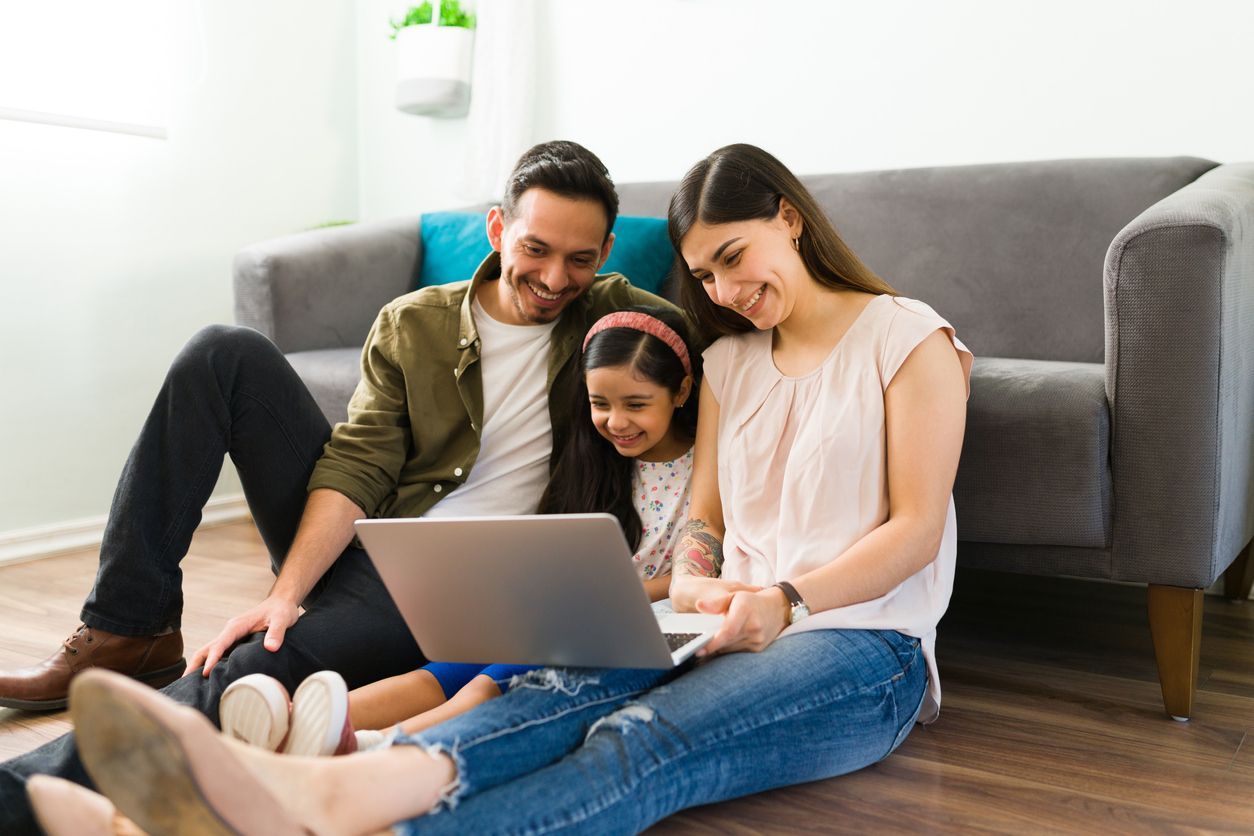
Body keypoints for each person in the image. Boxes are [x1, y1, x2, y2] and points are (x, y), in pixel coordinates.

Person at [28, 143, 973, 835]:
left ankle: (294, 807)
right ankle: (250, 760)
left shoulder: (901, 339)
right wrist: (693, 577)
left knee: (630, 737)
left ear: (790, 220)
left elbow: (917, 529)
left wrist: (783, 597)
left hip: (852, 634)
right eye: (702, 274)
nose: (722, 290)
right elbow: (709, 522)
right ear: (496, 231)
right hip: (668, 609)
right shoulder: (727, 360)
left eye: (733, 259)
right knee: (536, 697)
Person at [0, 139, 672, 835]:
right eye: (536, 249)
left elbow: (727, 344)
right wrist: (284, 594)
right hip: (372, 535)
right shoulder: (415, 323)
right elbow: (359, 464)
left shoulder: (621, 319)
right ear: (498, 229)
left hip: (457, 593)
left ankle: (21, 791)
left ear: (607, 252)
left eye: (581, 259)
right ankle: (127, 630)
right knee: (222, 354)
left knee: (251, 668)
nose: (556, 277)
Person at [214, 306, 702, 755]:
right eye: (601, 404)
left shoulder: (704, 471)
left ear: (680, 392)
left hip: (652, 622)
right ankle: (290, 724)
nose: (616, 422)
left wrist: (618, 593)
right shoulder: (594, 462)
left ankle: (374, 746)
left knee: (488, 683)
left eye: (636, 404)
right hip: (571, 611)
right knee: (442, 671)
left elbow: (698, 573)